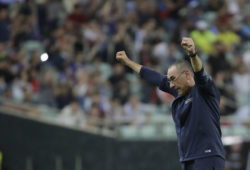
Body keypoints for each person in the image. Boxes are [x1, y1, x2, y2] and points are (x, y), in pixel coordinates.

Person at [116, 37, 225, 170]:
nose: (171, 85)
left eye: (173, 79)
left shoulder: (204, 90)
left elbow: (200, 73)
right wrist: (128, 62)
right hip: (188, 159)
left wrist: (192, 54)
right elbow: (156, 78)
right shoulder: (180, 93)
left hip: (207, 156)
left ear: (186, 74)